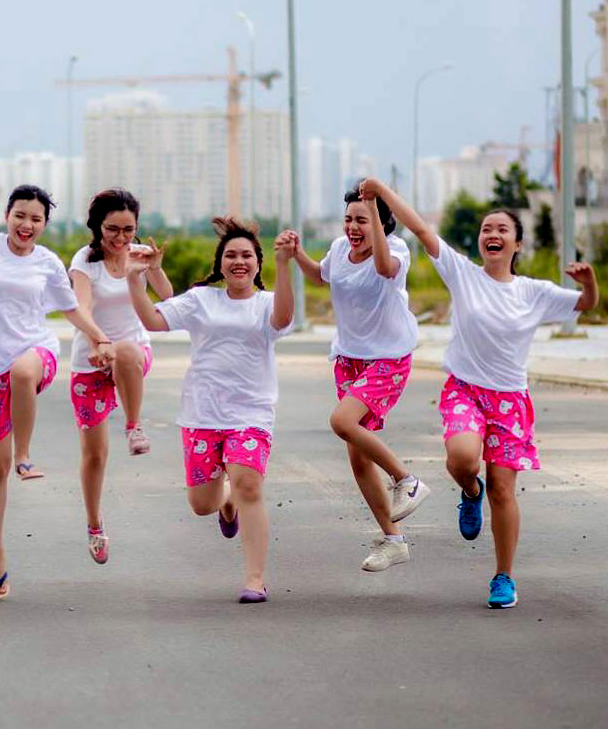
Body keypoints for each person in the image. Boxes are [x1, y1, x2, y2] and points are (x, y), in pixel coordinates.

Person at [367, 178, 597, 609]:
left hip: (510, 400)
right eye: (486, 229)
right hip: (465, 390)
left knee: (503, 490)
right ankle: (470, 492)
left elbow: (585, 304)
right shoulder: (463, 274)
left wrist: (589, 284)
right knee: (462, 460)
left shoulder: (533, 292)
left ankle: (503, 576)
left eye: (502, 229)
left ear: (517, 244)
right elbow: (420, 228)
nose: (492, 234)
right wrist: (381, 192)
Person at [0, 185, 112, 599]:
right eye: (20, 215)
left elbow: (71, 309)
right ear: (7, 216)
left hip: (35, 349)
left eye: (36, 219)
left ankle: (25, 455)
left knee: (22, 371)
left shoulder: (47, 262)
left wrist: (100, 337)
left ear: (44, 224)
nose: (26, 224)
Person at [126, 218, 296, 603]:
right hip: (202, 415)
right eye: (231, 255)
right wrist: (134, 278)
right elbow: (153, 320)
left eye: (247, 256)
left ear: (258, 263)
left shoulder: (267, 304)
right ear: (220, 263)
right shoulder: (201, 300)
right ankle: (226, 502)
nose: (239, 262)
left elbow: (284, 318)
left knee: (249, 484)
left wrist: (284, 263)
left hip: (251, 415)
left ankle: (255, 580)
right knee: (202, 504)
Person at [288, 185, 429, 572]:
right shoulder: (338, 249)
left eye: (362, 220)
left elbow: (384, 269)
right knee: (358, 457)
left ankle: (406, 479)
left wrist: (376, 219)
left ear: (381, 223)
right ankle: (393, 540)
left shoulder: (396, 250)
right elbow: (321, 276)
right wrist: (297, 254)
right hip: (349, 360)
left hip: (388, 358)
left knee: (341, 421)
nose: (352, 227)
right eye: (348, 219)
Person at [66, 188, 172, 564]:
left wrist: (154, 267)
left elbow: (167, 295)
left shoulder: (138, 254)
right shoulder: (85, 260)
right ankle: (94, 525)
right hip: (91, 358)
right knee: (94, 455)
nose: (121, 237)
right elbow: (81, 307)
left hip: (131, 354)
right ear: (98, 226)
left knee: (127, 350)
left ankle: (133, 425)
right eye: (113, 229)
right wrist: (99, 341)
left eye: (129, 229)